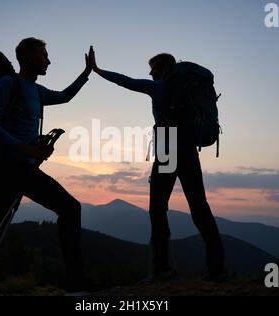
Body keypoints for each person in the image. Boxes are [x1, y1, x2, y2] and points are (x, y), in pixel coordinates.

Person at [89, 47, 225, 280]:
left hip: (168, 148)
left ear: (162, 69)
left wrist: (98, 70)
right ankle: (217, 269)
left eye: (152, 70)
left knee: (158, 209)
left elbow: (127, 82)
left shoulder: (159, 87)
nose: (150, 74)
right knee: (200, 208)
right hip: (190, 149)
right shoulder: (187, 87)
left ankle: (162, 269)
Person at [0, 38, 93, 295]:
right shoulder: (8, 84)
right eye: (44, 55)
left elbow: (64, 96)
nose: (48, 60)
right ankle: (75, 287)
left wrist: (86, 74)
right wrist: (24, 148)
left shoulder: (36, 90)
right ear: (29, 57)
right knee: (69, 208)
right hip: (4, 168)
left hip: (20, 168)